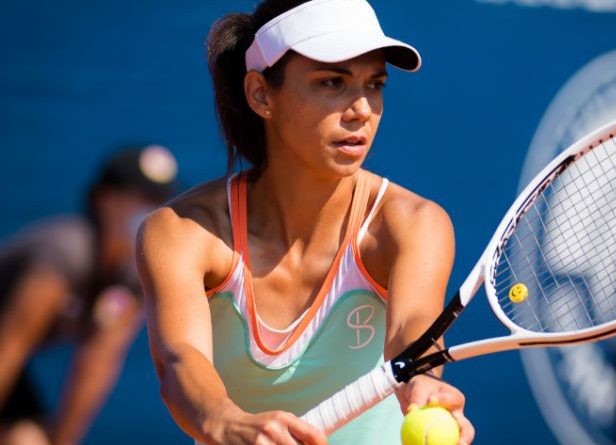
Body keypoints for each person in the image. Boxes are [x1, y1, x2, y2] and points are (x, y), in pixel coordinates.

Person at [136, 0, 475, 444]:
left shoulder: (412, 223)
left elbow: (411, 329)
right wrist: (224, 418)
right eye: (332, 82)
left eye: (375, 85)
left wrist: (422, 381)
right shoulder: (181, 231)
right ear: (261, 94)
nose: (362, 109)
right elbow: (180, 360)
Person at [0, 144, 179, 445]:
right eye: (141, 198)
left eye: (160, 200)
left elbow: (96, 365)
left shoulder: (133, 278)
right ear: (103, 200)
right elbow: (8, 349)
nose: (152, 210)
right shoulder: (64, 254)